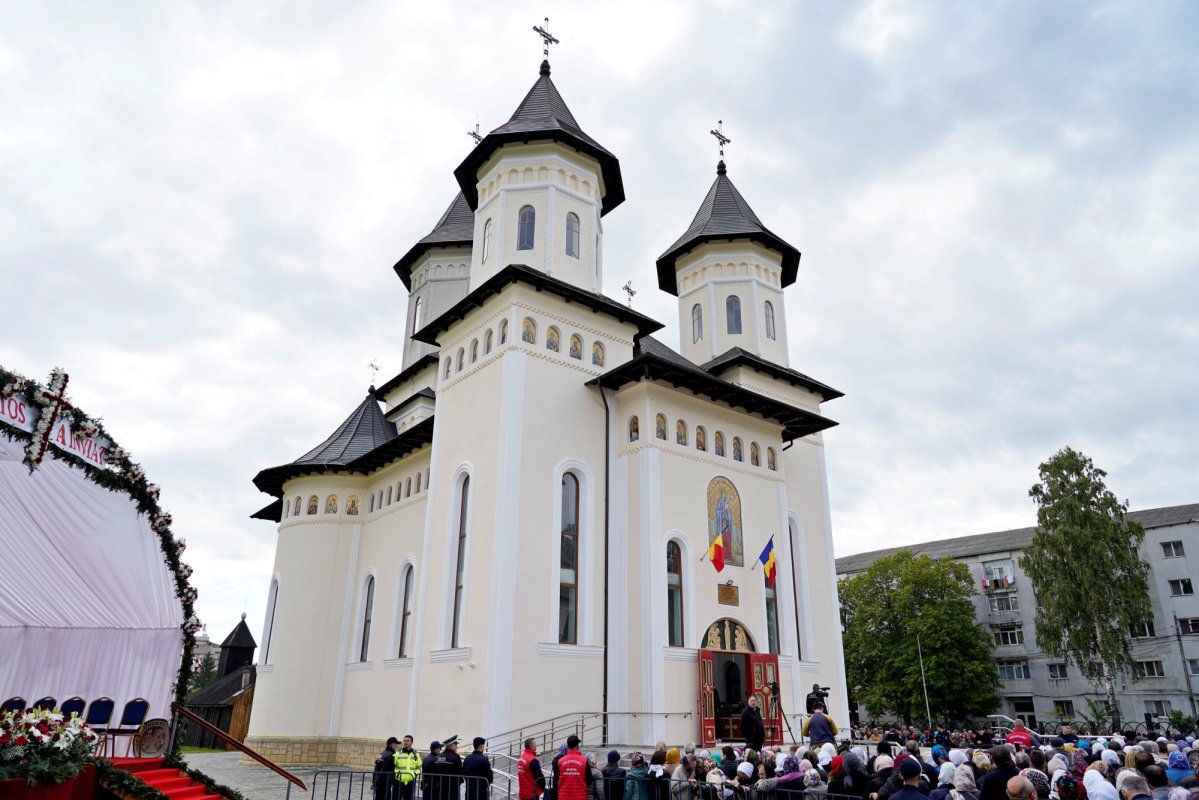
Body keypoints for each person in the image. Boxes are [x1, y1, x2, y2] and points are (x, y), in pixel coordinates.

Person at [555, 735, 594, 800]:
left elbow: (556, 779)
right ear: (577, 746)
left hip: (563, 797)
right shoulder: (584, 760)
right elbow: (589, 780)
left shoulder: (560, 761)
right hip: (580, 797)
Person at [394, 735, 421, 800]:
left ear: (412, 743)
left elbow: (419, 768)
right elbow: (393, 766)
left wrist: (414, 775)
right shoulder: (398, 753)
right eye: (404, 740)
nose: (406, 742)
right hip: (398, 781)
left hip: (410, 782)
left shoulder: (416, 755)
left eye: (408, 741)